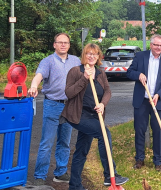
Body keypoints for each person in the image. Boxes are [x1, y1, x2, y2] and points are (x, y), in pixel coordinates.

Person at [61, 43, 129, 190]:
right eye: (88, 53)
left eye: (95, 54)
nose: (91, 56)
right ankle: (109, 175)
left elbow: (108, 91)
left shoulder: (100, 73)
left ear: (99, 56)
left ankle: (74, 186)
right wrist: (84, 78)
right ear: (84, 55)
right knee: (104, 134)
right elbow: (69, 93)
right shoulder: (75, 71)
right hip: (79, 115)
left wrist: (103, 104)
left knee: (82, 150)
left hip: (94, 115)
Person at [27, 33, 81, 186]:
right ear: (54, 45)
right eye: (60, 42)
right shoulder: (48, 61)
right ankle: (40, 176)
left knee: (64, 142)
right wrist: (33, 86)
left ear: (69, 45)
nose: (63, 45)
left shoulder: (76, 61)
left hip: (70, 106)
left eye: (66, 42)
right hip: (52, 105)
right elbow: (39, 76)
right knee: (47, 142)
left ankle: (61, 172)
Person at [127, 34, 161, 172]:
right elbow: (129, 72)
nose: (159, 48)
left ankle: (158, 161)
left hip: (158, 102)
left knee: (158, 131)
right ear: (151, 45)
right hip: (142, 100)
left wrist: (159, 94)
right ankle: (139, 159)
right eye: (156, 45)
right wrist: (138, 75)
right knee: (140, 130)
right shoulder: (141, 56)